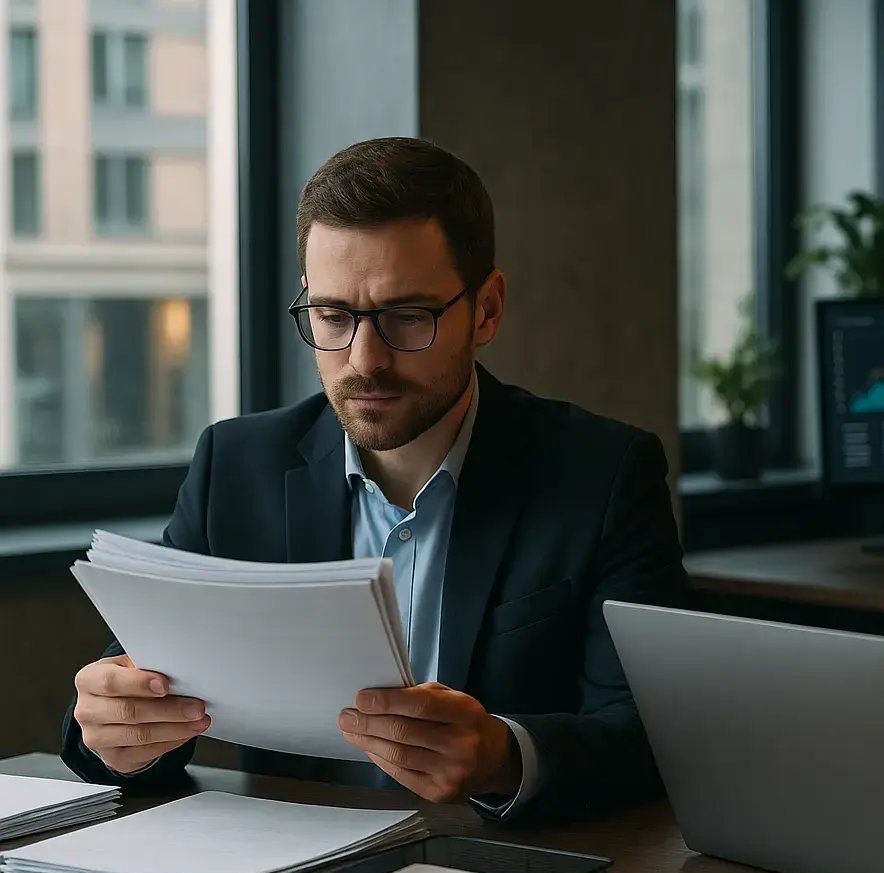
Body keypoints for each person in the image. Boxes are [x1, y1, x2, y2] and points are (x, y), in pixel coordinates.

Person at [62, 137, 685, 821]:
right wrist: (120, 735)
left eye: (406, 317)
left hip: (502, 872)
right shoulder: (237, 467)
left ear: (487, 309)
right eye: (333, 317)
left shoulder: (602, 474)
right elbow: (134, 694)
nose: (365, 359)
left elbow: (651, 737)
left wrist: (506, 757)